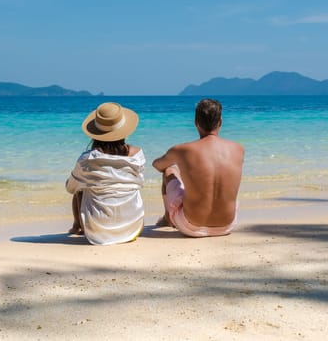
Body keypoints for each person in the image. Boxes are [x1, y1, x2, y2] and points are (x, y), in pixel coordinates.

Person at [152, 98, 244, 237]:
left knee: (169, 170)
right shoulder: (238, 149)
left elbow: (158, 166)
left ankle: (168, 219)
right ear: (220, 122)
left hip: (190, 226)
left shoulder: (182, 150)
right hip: (226, 225)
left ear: (196, 122)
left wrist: (181, 164)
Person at [66, 102, 145, 245]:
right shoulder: (138, 155)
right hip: (133, 229)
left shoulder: (87, 159)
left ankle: (77, 226)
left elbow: (70, 188)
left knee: (80, 190)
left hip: (96, 233)